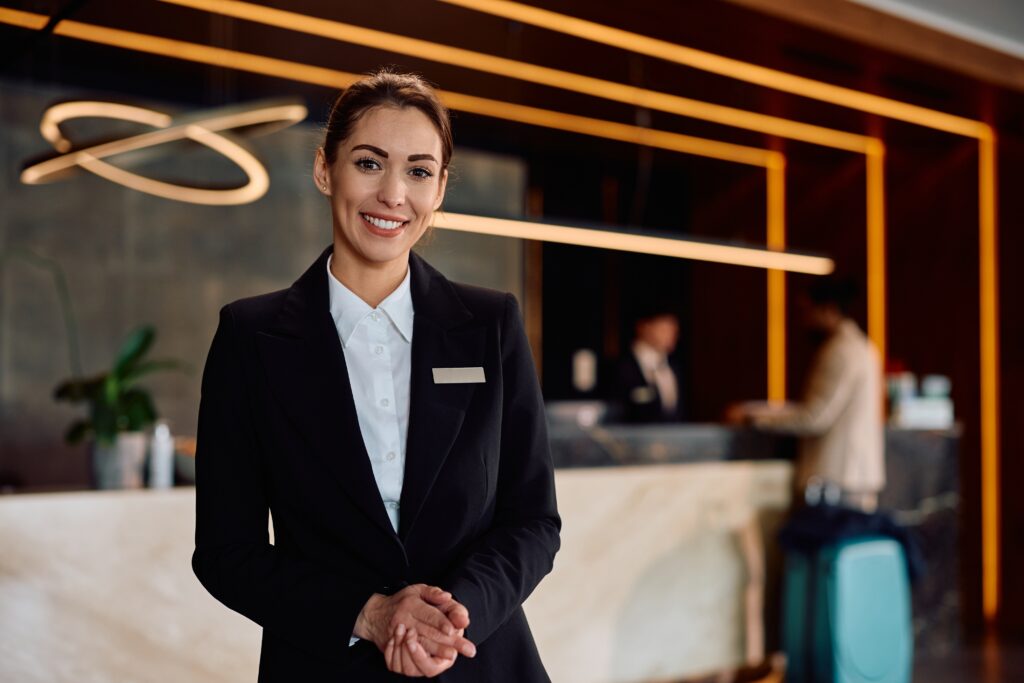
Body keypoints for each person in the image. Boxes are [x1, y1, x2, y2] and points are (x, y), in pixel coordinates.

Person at [192, 69, 561, 681]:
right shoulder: (249, 339)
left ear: (439, 188)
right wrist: (369, 615)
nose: (394, 194)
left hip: (478, 661)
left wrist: (452, 617)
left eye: (418, 171)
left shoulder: (492, 324)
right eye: (369, 163)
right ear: (324, 170)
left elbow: (533, 520)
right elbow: (227, 553)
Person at [729, 277, 884, 512]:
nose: (804, 319)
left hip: (836, 478)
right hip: (853, 477)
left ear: (829, 310)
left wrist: (753, 418)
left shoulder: (840, 350)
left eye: (808, 310)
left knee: (823, 548)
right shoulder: (862, 346)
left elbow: (815, 417)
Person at [612, 310, 685, 423]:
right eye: (664, 328)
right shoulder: (622, 367)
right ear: (644, 328)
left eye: (674, 329)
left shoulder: (674, 367)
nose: (671, 334)